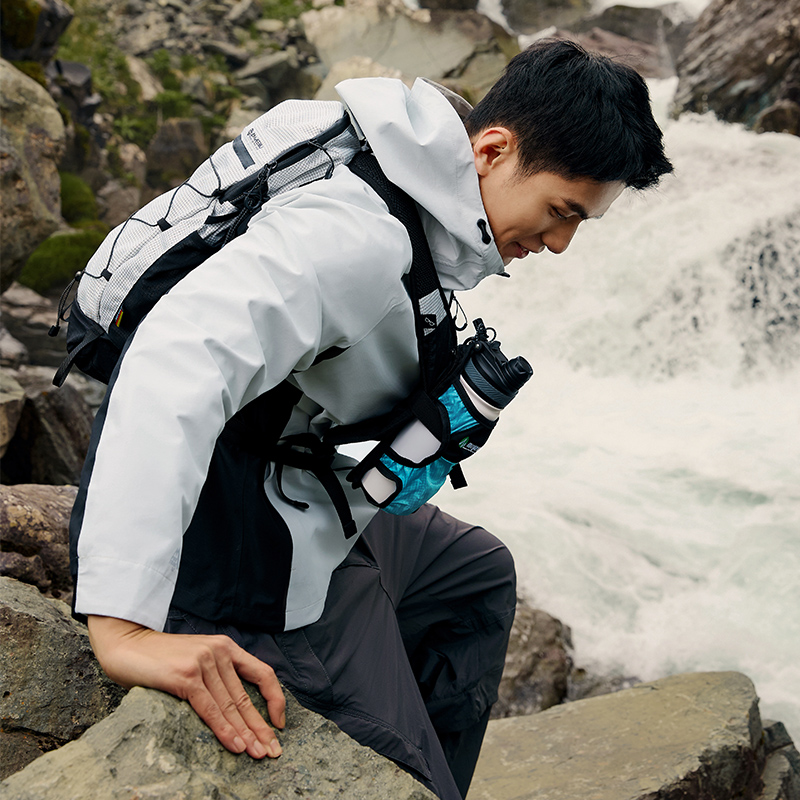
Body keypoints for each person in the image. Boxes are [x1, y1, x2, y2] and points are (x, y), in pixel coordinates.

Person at [71, 39, 673, 800]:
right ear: (492, 148)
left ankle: (412, 736)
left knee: (476, 578)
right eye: (561, 212)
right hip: (235, 549)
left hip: (296, 484)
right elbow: (174, 358)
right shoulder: (351, 237)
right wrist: (122, 626)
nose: (558, 243)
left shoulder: (394, 160)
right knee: (409, 784)